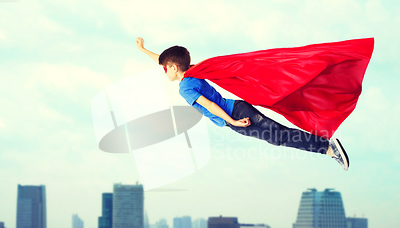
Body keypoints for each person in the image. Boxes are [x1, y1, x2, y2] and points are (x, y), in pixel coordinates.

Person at [136, 37, 351, 170]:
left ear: (174, 67)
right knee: (278, 136)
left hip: (235, 115)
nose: (163, 71)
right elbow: (164, 59)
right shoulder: (192, 71)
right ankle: (325, 146)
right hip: (237, 109)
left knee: (280, 136)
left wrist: (232, 122)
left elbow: (210, 106)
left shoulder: (185, 87)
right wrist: (144, 50)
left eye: (165, 68)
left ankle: (328, 148)